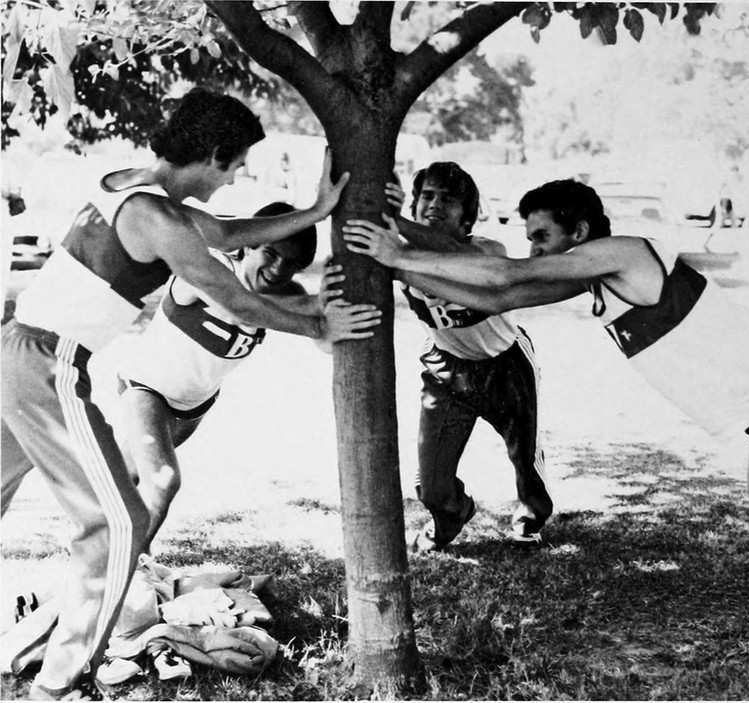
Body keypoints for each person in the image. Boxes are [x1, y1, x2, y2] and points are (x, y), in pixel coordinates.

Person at [1, 87, 380, 701]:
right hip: (49, 362)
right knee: (119, 523)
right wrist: (318, 325)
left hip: (14, 347)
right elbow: (234, 298)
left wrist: (314, 212)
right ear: (211, 154)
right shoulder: (162, 221)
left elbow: (226, 233)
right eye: (234, 166)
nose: (233, 179)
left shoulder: (130, 187)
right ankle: (60, 685)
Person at [343, 177, 749, 584]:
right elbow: (502, 297)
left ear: (579, 232)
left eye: (542, 238)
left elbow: (507, 273)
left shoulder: (624, 253)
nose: (534, 252)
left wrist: (398, 252)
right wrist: (399, 271)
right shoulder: (597, 277)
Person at [115, 201, 341, 553]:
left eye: (291, 264)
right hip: (147, 388)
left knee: (122, 478)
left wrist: (334, 303)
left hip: (194, 405)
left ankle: (101, 551)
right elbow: (240, 309)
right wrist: (315, 306)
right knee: (162, 480)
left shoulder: (287, 295)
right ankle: (130, 563)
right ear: (249, 245)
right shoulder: (212, 268)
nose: (278, 269)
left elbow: (325, 343)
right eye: (271, 253)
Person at [349, 162, 552, 552]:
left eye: (448, 198)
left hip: (505, 363)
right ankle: (452, 514)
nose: (435, 204)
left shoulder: (487, 250)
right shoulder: (400, 254)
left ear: (468, 216)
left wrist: (395, 226)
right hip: (447, 368)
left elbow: (455, 253)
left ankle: (531, 515)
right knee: (431, 483)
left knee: (524, 454)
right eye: (427, 196)